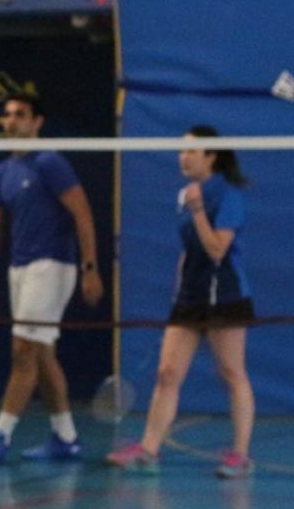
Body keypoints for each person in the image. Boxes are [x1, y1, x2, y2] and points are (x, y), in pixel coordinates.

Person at [107, 127, 255, 476]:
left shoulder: (228, 195)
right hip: (190, 295)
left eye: (191, 152)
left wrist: (198, 210)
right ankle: (148, 451)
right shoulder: (185, 194)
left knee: (231, 373)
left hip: (225, 295)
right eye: (181, 151)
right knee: (167, 373)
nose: (183, 158)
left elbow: (217, 250)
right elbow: (190, 248)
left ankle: (240, 455)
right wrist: (179, 282)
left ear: (211, 157)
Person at [0, 92, 104, 464]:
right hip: (20, 268)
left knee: (23, 351)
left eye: (20, 114)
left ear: (37, 122)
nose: (11, 120)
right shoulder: (4, 171)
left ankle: (0, 435)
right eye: (7, 114)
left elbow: (83, 213)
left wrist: (90, 268)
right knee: (42, 354)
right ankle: (66, 438)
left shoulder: (50, 162)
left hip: (52, 265)